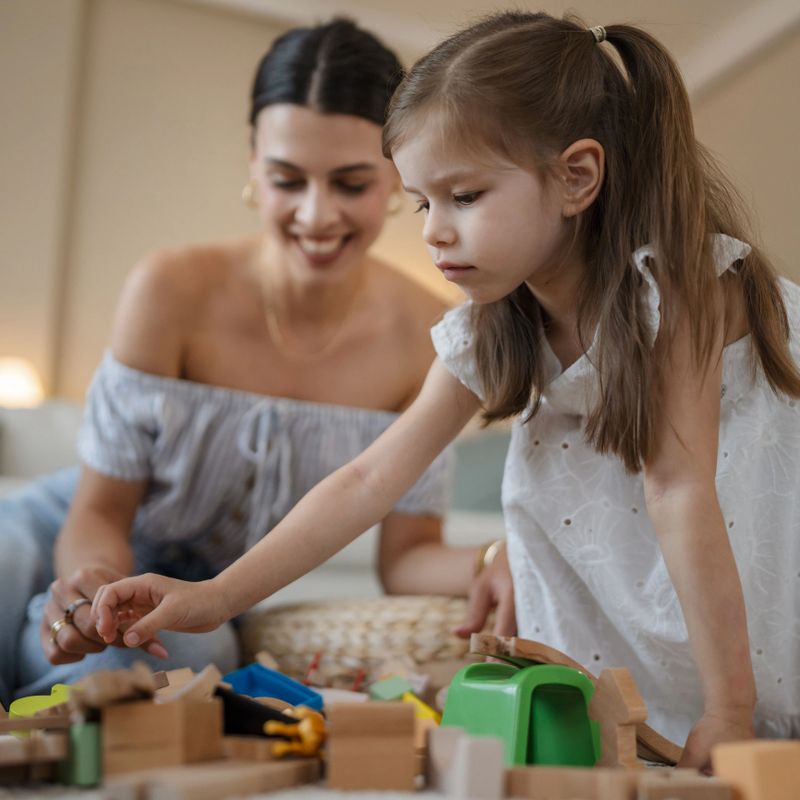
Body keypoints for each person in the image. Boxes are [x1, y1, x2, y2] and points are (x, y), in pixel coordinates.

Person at [93, 11, 800, 769]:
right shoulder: (490, 324)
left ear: (576, 176)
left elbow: (681, 490)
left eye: (463, 196)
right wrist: (214, 596)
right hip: (652, 524)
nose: (432, 231)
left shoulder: (681, 289)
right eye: (423, 202)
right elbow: (368, 478)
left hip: (733, 510)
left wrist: (731, 708)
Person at [0, 18, 518, 710]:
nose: (316, 213)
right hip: (75, 539)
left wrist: (500, 557)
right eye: (287, 179)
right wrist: (93, 588)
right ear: (252, 162)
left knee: (188, 655)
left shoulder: (429, 332)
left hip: (215, 592)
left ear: (397, 168)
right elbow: (99, 509)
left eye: (350, 182)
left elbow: (406, 559)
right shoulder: (169, 289)